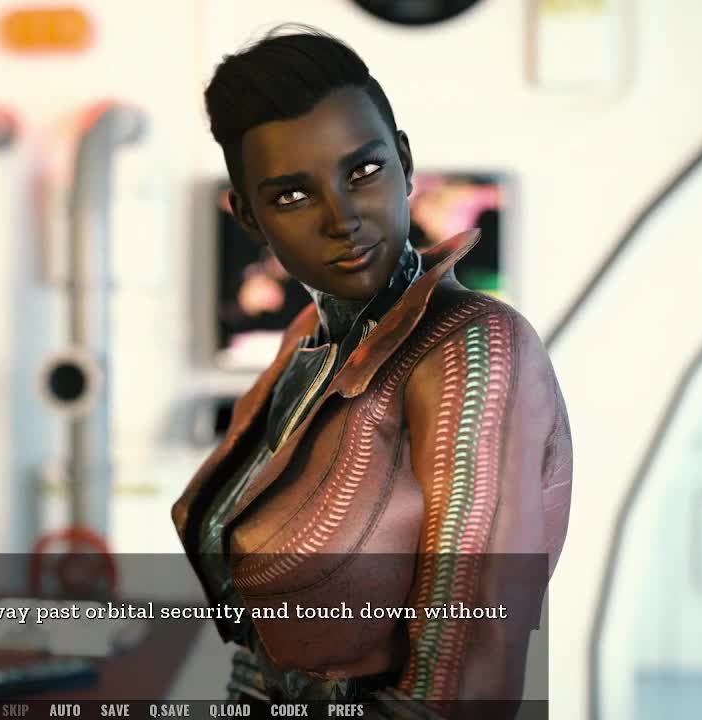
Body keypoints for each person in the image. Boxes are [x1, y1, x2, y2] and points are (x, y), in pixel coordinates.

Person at [170, 25, 573, 719]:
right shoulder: (309, 335)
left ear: (405, 163)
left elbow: (463, 686)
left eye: (363, 172)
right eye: (292, 196)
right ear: (249, 218)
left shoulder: (473, 348)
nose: (343, 219)